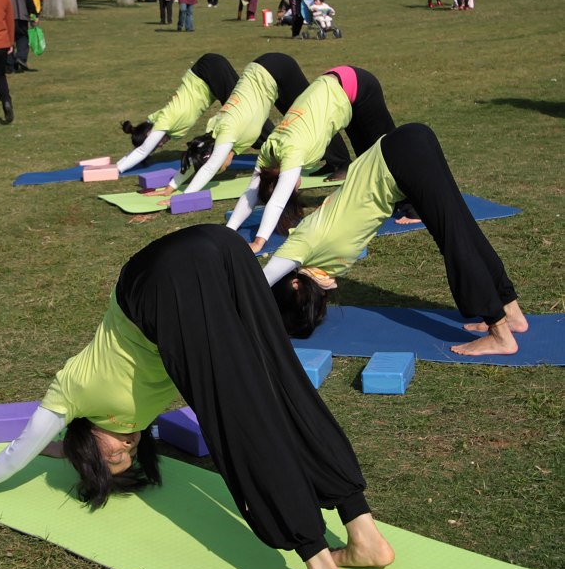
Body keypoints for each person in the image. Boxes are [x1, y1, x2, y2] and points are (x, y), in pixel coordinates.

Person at [0, 224, 395, 569]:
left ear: (86, 447)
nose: (127, 447)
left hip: (159, 281)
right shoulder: (142, 414)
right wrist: (64, 450)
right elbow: (60, 446)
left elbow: (24, 446)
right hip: (220, 248)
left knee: (244, 426)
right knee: (283, 388)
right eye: (129, 458)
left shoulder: (71, 392)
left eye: (112, 456)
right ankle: (363, 535)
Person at [261, 123, 528, 358]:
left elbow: (259, 281)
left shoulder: (318, 259)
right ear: (296, 283)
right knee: (461, 230)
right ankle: (510, 311)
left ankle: (500, 333)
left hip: (402, 155)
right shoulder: (315, 258)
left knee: (456, 237)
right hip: (403, 148)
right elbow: (264, 279)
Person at [227, 66, 398, 250]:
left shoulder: (291, 152)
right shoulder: (269, 150)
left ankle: (413, 209)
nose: (296, 188)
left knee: (391, 151)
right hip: (335, 81)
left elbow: (277, 201)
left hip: (356, 84)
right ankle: (392, 199)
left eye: (291, 189)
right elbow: (251, 194)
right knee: (369, 156)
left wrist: (259, 242)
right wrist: (229, 231)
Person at [163, 54, 351, 196]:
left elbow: (210, 165)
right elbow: (196, 154)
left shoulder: (227, 132)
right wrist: (170, 187)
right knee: (298, 119)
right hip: (263, 70)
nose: (223, 168)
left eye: (220, 166)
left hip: (277, 69)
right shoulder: (213, 134)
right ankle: (331, 162)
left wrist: (185, 197)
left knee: (311, 117)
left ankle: (342, 163)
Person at [116, 53, 240, 173]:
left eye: (154, 145)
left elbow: (143, 150)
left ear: (149, 133)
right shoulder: (159, 122)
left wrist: (117, 170)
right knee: (243, 109)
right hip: (208, 75)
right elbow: (141, 148)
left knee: (242, 111)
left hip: (208, 71)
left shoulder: (165, 121)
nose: (159, 146)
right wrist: (117, 164)